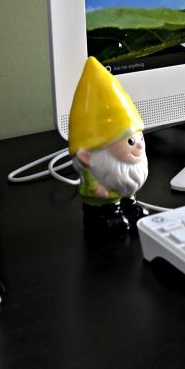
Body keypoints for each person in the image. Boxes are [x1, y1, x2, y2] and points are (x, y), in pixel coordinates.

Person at [68, 57, 149, 237]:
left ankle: (129, 206)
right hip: (101, 202)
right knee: (105, 212)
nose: (139, 146)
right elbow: (91, 180)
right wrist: (97, 189)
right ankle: (107, 217)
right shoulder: (96, 163)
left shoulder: (123, 169)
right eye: (130, 141)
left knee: (128, 199)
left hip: (125, 191)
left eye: (140, 138)